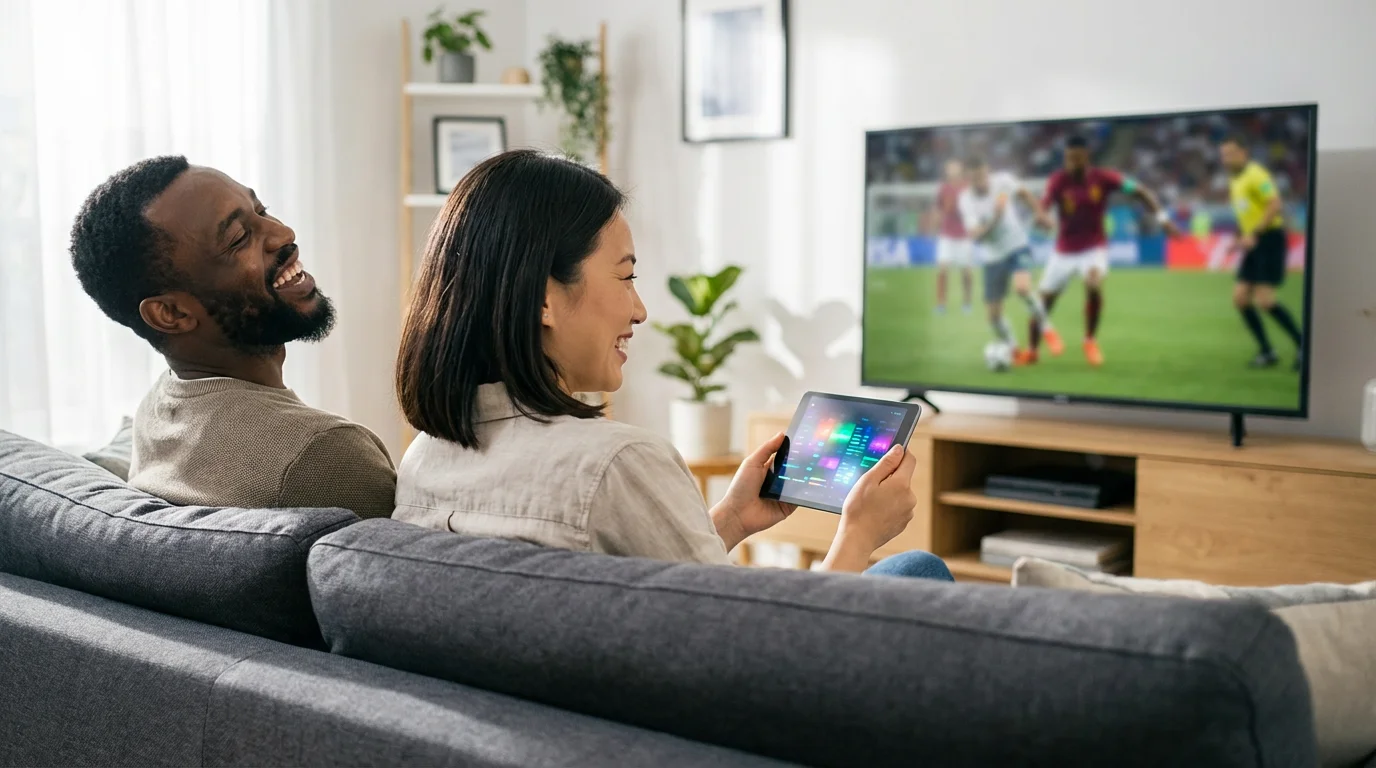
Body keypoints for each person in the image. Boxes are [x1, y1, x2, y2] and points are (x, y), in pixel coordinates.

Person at [393, 150, 950, 579]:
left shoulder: (425, 459)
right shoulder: (618, 463)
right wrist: (858, 534)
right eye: (626, 275)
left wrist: (730, 519)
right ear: (543, 299)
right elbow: (756, 662)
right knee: (915, 569)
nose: (639, 309)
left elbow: (648, 594)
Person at [69, 155, 396, 518]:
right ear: (172, 313)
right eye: (239, 238)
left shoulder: (161, 406)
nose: (284, 233)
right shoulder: (322, 454)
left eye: (262, 210)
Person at [1032, 135, 1179, 366]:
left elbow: (1139, 191)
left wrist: (1163, 219)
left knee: (1093, 284)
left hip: (1093, 248)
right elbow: (1043, 206)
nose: (1072, 163)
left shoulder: (1103, 177)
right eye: (1069, 158)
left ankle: (1089, 341)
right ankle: (1032, 351)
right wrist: (1042, 218)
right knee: (1044, 303)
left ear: (1087, 156)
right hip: (1063, 251)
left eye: (1077, 158)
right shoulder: (1057, 180)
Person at [958, 156, 1054, 365]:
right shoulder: (966, 200)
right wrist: (996, 217)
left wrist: (1040, 214)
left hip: (1017, 245)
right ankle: (1012, 347)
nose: (980, 182)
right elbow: (975, 235)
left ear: (987, 171)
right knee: (993, 316)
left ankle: (1047, 328)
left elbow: (1025, 194)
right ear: (968, 179)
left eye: (982, 176)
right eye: (975, 179)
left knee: (1022, 287)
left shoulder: (1002, 181)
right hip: (992, 257)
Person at [1219, 135, 1304, 370]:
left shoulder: (1256, 174)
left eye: (1229, 153)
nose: (1225, 159)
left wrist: (1254, 233)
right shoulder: (1234, 180)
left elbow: (1275, 204)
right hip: (1253, 241)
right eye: (1223, 155)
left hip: (1269, 239)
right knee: (1240, 298)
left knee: (1265, 300)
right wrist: (1239, 238)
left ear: (1243, 153)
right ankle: (1267, 352)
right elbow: (1246, 214)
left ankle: (1303, 346)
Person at [933, 159, 973, 314]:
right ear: (947, 171)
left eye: (955, 167)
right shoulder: (943, 188)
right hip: (947, 235)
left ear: (961, 170)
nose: (953, 170)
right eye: (950, 168)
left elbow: (972, 207)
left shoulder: (967, 187)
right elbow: (939, 208)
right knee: (942, 269)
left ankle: (967, 302)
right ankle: (941, 304)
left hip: (964, 235)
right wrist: (937, 223)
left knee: (966, 271)